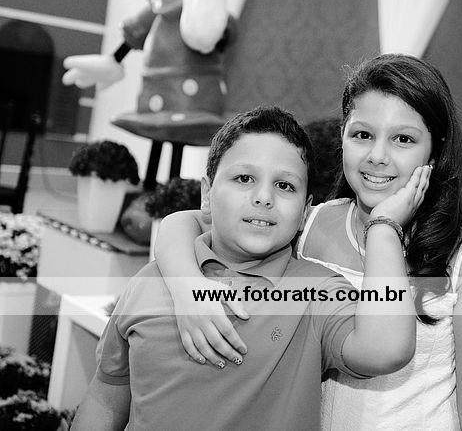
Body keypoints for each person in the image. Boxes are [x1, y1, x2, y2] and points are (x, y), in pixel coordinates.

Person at [155, 54, 462, 429]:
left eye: (403, 139)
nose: (378, 156)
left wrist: (385, 226)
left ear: (435, 152)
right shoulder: (308, 224)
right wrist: (187, 288)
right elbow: (184, 223)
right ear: (342, 137)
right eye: (362, 135)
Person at [71, 106, 426, 430]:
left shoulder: (317, 292)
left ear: (305, 211)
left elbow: (387, 349)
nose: (263, 198)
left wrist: (383, 227)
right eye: (244, 179)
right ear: (207, 194)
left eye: (284, 186)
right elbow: (105, 397)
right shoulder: (151, 281)